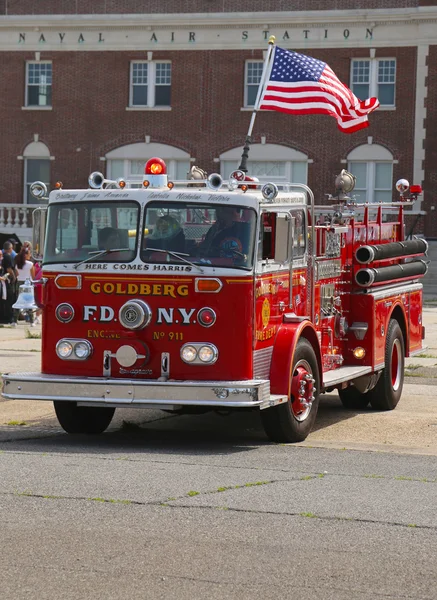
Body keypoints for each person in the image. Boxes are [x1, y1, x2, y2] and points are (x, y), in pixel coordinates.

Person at [14, 246, 36, 326]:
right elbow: (33, 276)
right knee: (29, 303)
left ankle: (14, 321)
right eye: (29, 254)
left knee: (18, 301)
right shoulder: (30, 264)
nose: (30, 255)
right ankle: (31, 321)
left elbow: (17, 275)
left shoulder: (17, 265)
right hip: (27, 283)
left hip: (19, 283)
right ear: (26, 255)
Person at [1, 241, 18, 326]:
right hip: (7, 281)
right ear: (10, 248)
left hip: (2, 281)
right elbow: (9, 269)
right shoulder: (8, 256)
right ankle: (8, 318)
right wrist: (14, 277)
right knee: (9, 299)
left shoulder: (2, 256)